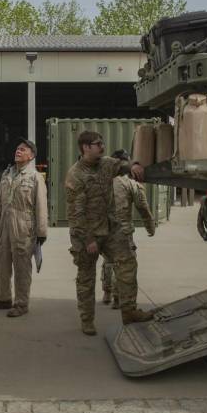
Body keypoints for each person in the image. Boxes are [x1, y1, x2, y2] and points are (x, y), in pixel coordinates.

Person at [64, 131, 152, 336]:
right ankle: (87, 320)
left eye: (102, 143)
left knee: (128, 262)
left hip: (111, 229)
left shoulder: (106, 163)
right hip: (87, 234)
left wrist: (134, 165)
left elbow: (122, 165)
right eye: (97, 144)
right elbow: (76, 214)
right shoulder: (75, 175)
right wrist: (89, 240)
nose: (102, 147)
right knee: (86, 278)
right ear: (85, 147)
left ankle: (129, 311)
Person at [0, 138, 47, 318]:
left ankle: (21, 304)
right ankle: (3, 298)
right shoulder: (7, 174)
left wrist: (41, 233)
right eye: (17, 148)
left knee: (22, 267)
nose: (18, 151)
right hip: (4, 228)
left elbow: (41, 207)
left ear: (31, 156)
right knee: (1, 263)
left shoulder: (35, 177)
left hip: (24, 228)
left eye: (23, 149)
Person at [104, 149, 156, 309]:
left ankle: (106, 292)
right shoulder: (130, 184)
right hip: (122, 231)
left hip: (104, 230)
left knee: (108, 261)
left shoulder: (102, 181)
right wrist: (150, 226)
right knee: (124, 264)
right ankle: (118, 297)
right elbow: (143, 208)